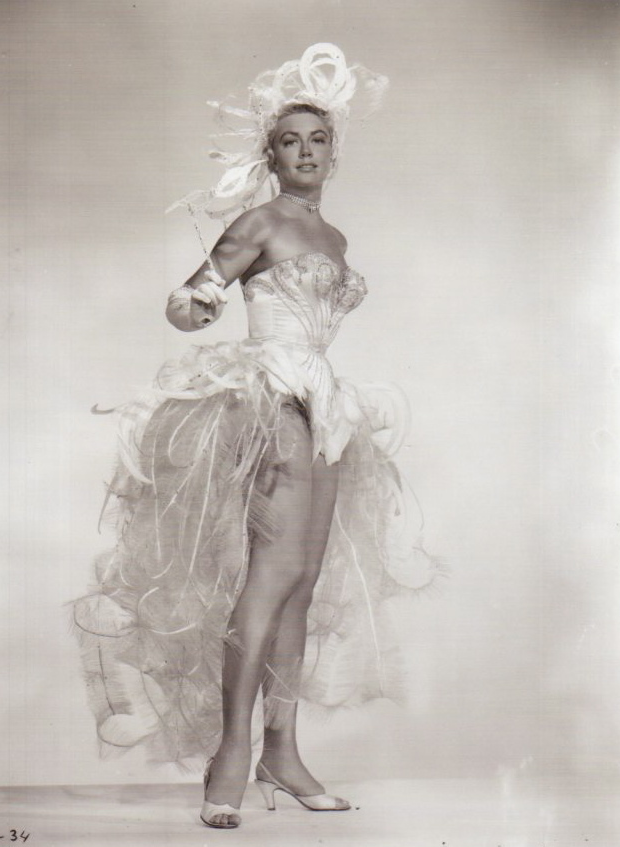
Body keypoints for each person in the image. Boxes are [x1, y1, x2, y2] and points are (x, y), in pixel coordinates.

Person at [71, 44, 442, 829]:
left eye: (317, 140)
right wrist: (198, 305)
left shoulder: (332, 236)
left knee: (303, 580)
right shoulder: (261, 220)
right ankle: (231, 752)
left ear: (333, 153)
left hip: (325, 403)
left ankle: (283, 748)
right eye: (288, 141)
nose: (304, 152)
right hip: (272, 397)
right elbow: (190, 297)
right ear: (268, 156)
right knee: (269, 578)